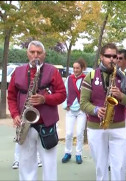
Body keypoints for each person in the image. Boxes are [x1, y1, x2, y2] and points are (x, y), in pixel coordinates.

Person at [7, 40, 66, 180]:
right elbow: (11, 96)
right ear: (27, 54)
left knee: (49, 164)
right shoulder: (18, 71)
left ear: (44, 54)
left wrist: (45, 99)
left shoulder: (52, 71)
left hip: (47, 124)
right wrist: (15, 114)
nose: (35, 55)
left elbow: (62, 94)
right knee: (26, 164)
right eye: (32, 52)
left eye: (39, 53)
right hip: (25, 123)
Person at [80, 43, 126, 181]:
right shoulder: (91, 76)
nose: (112, 59)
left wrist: (121, 96)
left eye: (114, 56)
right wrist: (96, 110)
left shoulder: (124, 77)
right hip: (96, 127)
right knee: (101, 167)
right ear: (101, 57)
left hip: (118, 127)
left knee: (120, 166)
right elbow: (83, 103)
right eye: (108, 56)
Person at [61, 58, 87, 164]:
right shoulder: (69, 79)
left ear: (82, 68)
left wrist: (85, 106)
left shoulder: (86, 79)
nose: (75, 70)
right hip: (70, 109)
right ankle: (67, 152)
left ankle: (78, 154)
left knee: (80, 133)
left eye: (77, 68)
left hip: (81, 110)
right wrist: (65, 105)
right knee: (68, 133)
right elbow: (64, 92)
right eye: (74, 68)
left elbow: (89, 94)